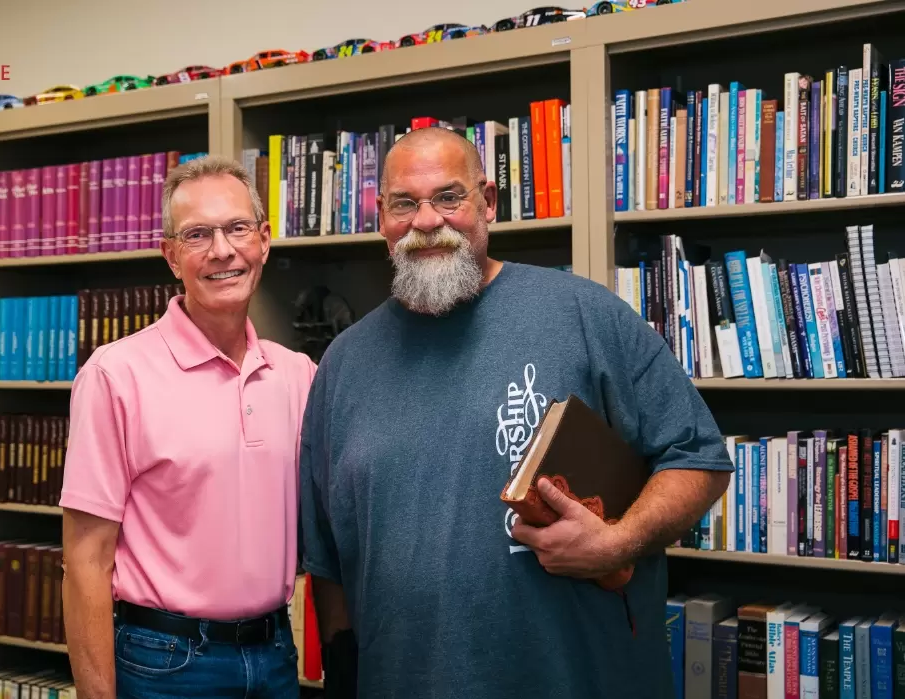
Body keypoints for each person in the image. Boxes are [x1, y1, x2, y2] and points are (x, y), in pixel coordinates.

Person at [298, 127, 734, 699]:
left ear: (489, 202)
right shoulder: (342, 364)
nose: (427, 221)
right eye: (405, 202)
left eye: (449, 197)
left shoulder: (582, 314)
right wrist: (344, 672)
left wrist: (618, 542)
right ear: (382, 216)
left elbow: (699, 459)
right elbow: (330, 562)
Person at [59, 155, 315, 699]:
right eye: (197, 234)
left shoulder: (298, 375)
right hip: (165, 665)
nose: (222, 250)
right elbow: (85, 560)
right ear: (171, 256)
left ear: (264, 242)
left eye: (237, 228)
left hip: (274, 656)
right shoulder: (115, 374)